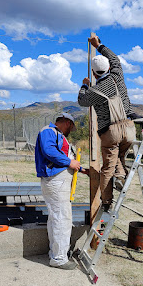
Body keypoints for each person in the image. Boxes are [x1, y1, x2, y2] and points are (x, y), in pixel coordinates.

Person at [78, 34, 136, 211]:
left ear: (94, 74)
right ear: (109, 68)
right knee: (119, 157)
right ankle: (120, 174)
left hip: (110, 132)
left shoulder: (95, 90)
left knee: (106, 169)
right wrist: (99, 45)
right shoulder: (117, 75)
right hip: (129, 128)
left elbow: (82, 100)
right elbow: (115, 59)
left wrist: (85, 85)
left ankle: (107, 202)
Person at [35, 113, 88, 270]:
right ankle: (58, 258)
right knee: (62, 219)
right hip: (56, 181)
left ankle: (55, 254)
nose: (71, 130)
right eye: (71, 127)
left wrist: (82, 169)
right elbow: (49, 151)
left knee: (56, 218)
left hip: (58, 181)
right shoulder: (49, 131)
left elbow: (66, 159)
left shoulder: (58, 135)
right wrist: (70, 162)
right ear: (67, 122)